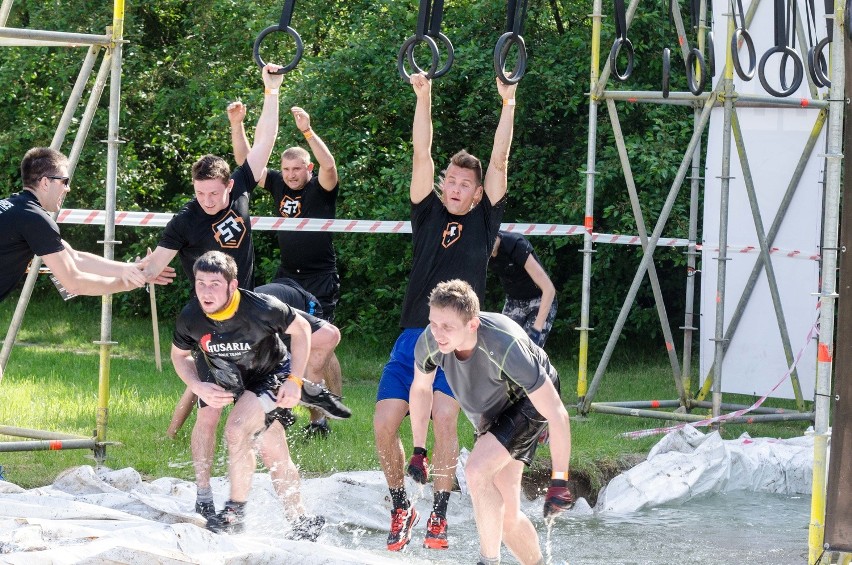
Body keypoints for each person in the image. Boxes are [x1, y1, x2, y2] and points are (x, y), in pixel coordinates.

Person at [373, 71, 518, 552]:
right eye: (450, 182)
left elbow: (499, 160)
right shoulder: (426, 210)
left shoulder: (484, 217)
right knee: (383, 425)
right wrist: (423, 96)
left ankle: (438, 514)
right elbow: (421, 153)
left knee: (443, 416)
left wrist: (508, 103)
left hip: (457, 344)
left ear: (478, 194)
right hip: (412, 334)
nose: (456, 189)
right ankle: (401, 507)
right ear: (442, 186)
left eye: (465, 185)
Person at [171, 251, 350, 538]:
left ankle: (234, 513)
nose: (206, 292)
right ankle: (301, 519)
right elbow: (179, 356)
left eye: (214, 284)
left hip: (271, 376)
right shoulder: (191, 317)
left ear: (232, 285)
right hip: (233, 379)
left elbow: (303, 328)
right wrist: (198, 386)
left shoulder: (261, 307)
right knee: (272, 449)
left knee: (237, 428)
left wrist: (295, 379)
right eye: (200, 283)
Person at [410, 279, 573, 565]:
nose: (438, 333)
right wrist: (419, 450)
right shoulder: (430, 342)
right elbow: (421, 389)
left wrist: (560, 479)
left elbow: (557, 412)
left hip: (527, 400)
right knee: (507, 517)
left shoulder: (505, 344)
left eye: (447, 327)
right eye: (433, 323)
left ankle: (488, 562)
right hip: (492, 412)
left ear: (472, 325)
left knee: (476, 471)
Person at [229, 103, 343, 438]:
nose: (291, 174)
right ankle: (282, 408)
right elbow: (245, 164)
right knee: (279, 339)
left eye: (297, 169)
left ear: (307, 168)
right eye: (287, 169)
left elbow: (329, 165)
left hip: (320, 278)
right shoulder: (278, 184)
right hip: (287, 276)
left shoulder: (320, 188)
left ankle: (323, 414)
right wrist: (237, 126)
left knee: (321, 348)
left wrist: (307, 131)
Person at [165, 277, 343, 439]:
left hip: (298, 301)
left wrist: (295, 383)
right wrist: (170, 433)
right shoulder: (211, 344)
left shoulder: (261, 317)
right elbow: (197, 384)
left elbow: (328, 337)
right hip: (260, 318)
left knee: (308, 351)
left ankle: (321, 419)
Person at [0, 147, 175, 303]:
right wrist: (128, 282)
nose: (68, 188)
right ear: (46, 182)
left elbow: (76, 258)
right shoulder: (35, 219)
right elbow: (74, 283)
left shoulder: (16, 208)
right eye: (64, 181)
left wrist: (129, 269)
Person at [489, 231, 557, 347]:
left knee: (528, 351)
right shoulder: (479, 252)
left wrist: (536, 331)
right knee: (503, 348)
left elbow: (549, 289)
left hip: (540, 299)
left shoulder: (516, 245)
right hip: (513, 300)